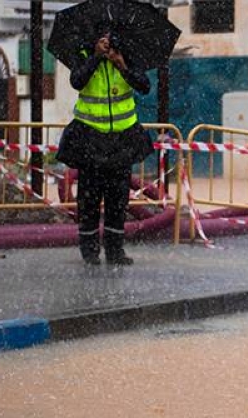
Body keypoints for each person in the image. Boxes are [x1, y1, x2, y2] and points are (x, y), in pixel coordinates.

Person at [56, 31, 152, 266]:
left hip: (122, 139)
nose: (108, 40)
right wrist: (96, 57)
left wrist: (122, 65)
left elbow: (144, 86)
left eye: (111, 34)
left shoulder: (126, 54)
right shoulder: (84, 54)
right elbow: (77, 81)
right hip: (90, 139)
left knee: (117, 199)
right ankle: (90, 252)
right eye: (103, 36)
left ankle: (115, 251)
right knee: (88, 200)